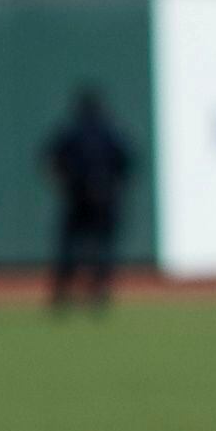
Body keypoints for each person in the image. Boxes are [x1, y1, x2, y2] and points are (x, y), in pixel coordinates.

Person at [42, 83, 137, 313]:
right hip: (104, 198)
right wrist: (114, 186)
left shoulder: (70, 131)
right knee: (102, 246)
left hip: (76, 197)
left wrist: (64, 183)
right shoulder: (110, 131)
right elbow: (127, 163)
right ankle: (98, 292)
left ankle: (62, 294)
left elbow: (50, 159)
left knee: (70, 247)